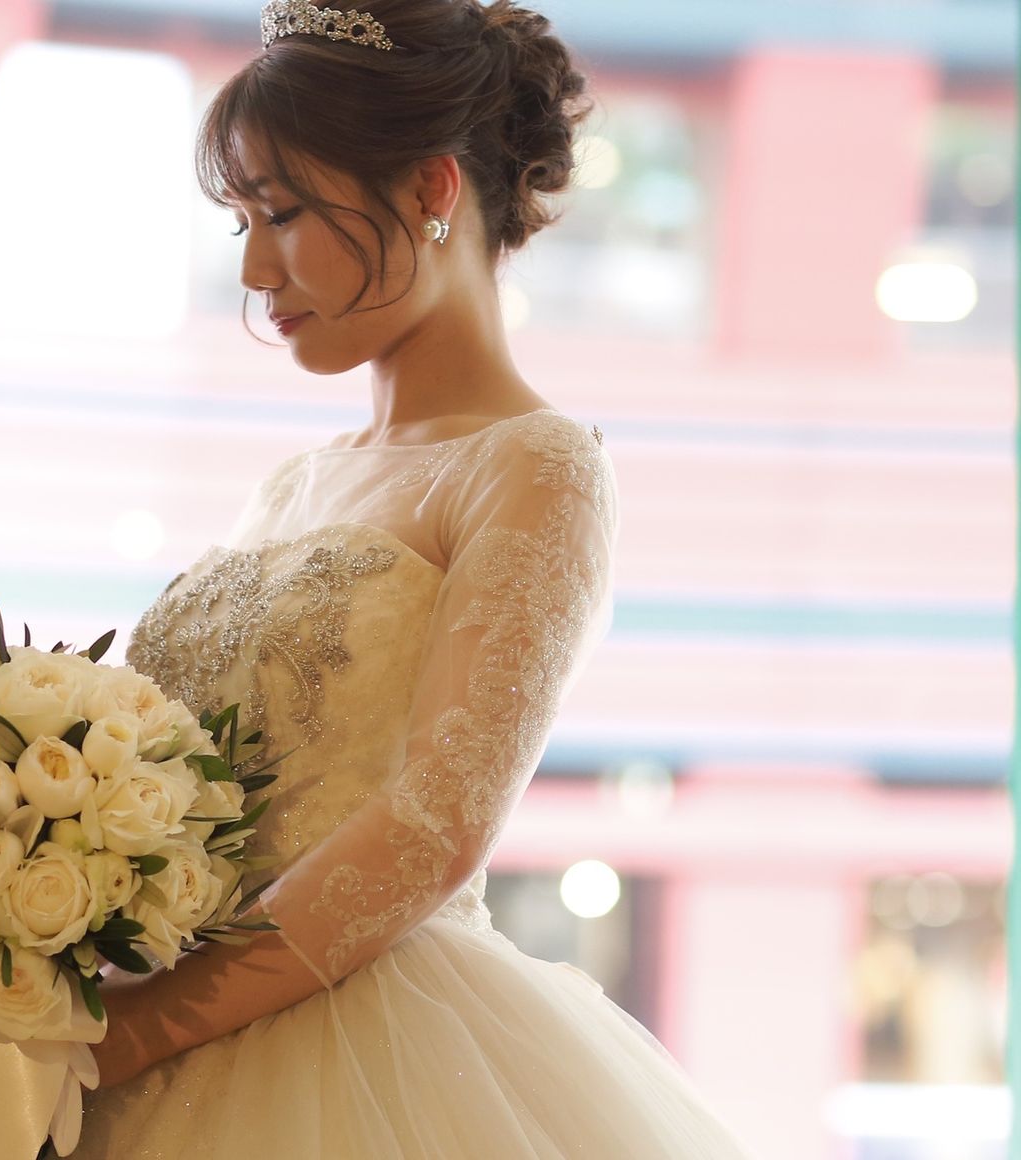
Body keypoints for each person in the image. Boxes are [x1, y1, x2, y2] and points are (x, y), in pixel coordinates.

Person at [68, 2, 757, 1156]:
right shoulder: (293, 483)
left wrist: (131, 1031)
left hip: (366, 1051)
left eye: (283, 213)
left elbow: (431, 827)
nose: (253, 267)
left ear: (433, 189)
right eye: (241, 220)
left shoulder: (532, 464)